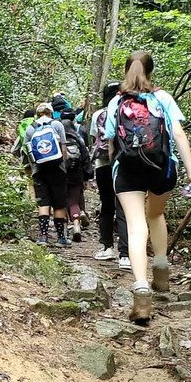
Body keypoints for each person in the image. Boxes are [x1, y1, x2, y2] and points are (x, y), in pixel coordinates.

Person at [104, 51, 191, 324]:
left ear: (126, 71)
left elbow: (111, 141)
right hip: (162, 169)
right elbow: (179, 134)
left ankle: (142, 290)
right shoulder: (163, 98)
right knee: (155, 214)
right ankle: (161, 267)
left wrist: (116, 164)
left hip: (128, 171)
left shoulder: (116, 102)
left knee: (136, 226)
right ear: (151, 71)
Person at [91, 82, 130, 268]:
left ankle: (107, 247)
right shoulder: (127, 109)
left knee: (107, 205)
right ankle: (125, 254)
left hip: (103, 164)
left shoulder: (98, 114)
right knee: (124, 207)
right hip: (125, 163)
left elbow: (95, 138)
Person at [24, 102, 70, 247]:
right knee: (59, 204)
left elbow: (27, 150)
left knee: (43, 203)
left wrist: (32, 169)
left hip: (39, 170)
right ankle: (61, 237)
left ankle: (43, 236)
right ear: (50, 113)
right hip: (57, 168)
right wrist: (63, 165)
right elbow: (63, 146)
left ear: (37, 114)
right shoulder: (57, 125)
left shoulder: (31, 128)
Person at [62, 111, 93, 241]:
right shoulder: (78, 139)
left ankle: (62, 231)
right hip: (76, 174)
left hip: (61, 174)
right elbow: (86, 158)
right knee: (74, 201)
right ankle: (76, 226)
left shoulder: (58, 139)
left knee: (62, 203)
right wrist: (87, 176)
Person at [12, 108, 36, 199]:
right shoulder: (37, 124)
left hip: (26, 156)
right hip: (39, 156)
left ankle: (33, 201)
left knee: (30, 180)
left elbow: (15, 147)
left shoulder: (22, 126)